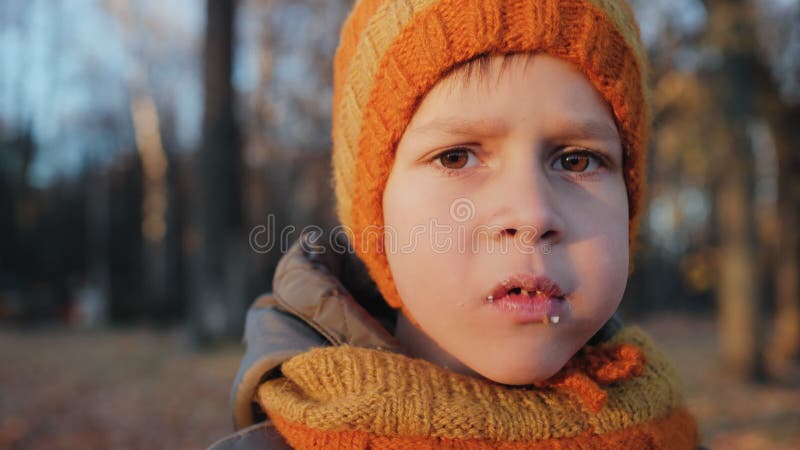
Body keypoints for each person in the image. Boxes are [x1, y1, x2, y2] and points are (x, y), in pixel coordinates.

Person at [207, 0, 707, 448]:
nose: (531, 214)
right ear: (375, 215)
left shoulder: (671, 435)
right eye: (456, 157)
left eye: (576, 161)